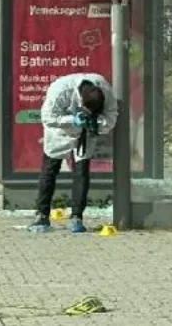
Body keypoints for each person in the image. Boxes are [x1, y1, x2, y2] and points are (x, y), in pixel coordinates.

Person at [27, 73, 119, 234]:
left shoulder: (105, 90)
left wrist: (95, 122)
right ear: (80, 100)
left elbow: (111, 118)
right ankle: (41, 215)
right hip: (60, 131)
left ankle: (77, 216)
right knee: (50, 169)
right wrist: (72, 120)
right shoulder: (61, 89)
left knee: (81, 171)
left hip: (86, 132)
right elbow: (48, 117)